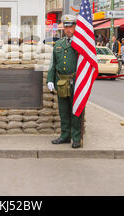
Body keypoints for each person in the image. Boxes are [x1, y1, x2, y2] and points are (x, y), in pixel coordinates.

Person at [47, 14, 82, 149]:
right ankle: (65, 136)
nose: (68, 29)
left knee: (76, 110)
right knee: (63, 111)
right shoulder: (59, 44)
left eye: (70, 27)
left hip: (75, 82)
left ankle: (76, 138)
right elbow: (53, 64)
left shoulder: (80, 44)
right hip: (61, 82)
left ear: (75, 27)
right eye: (66, 27)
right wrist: (50, 79)